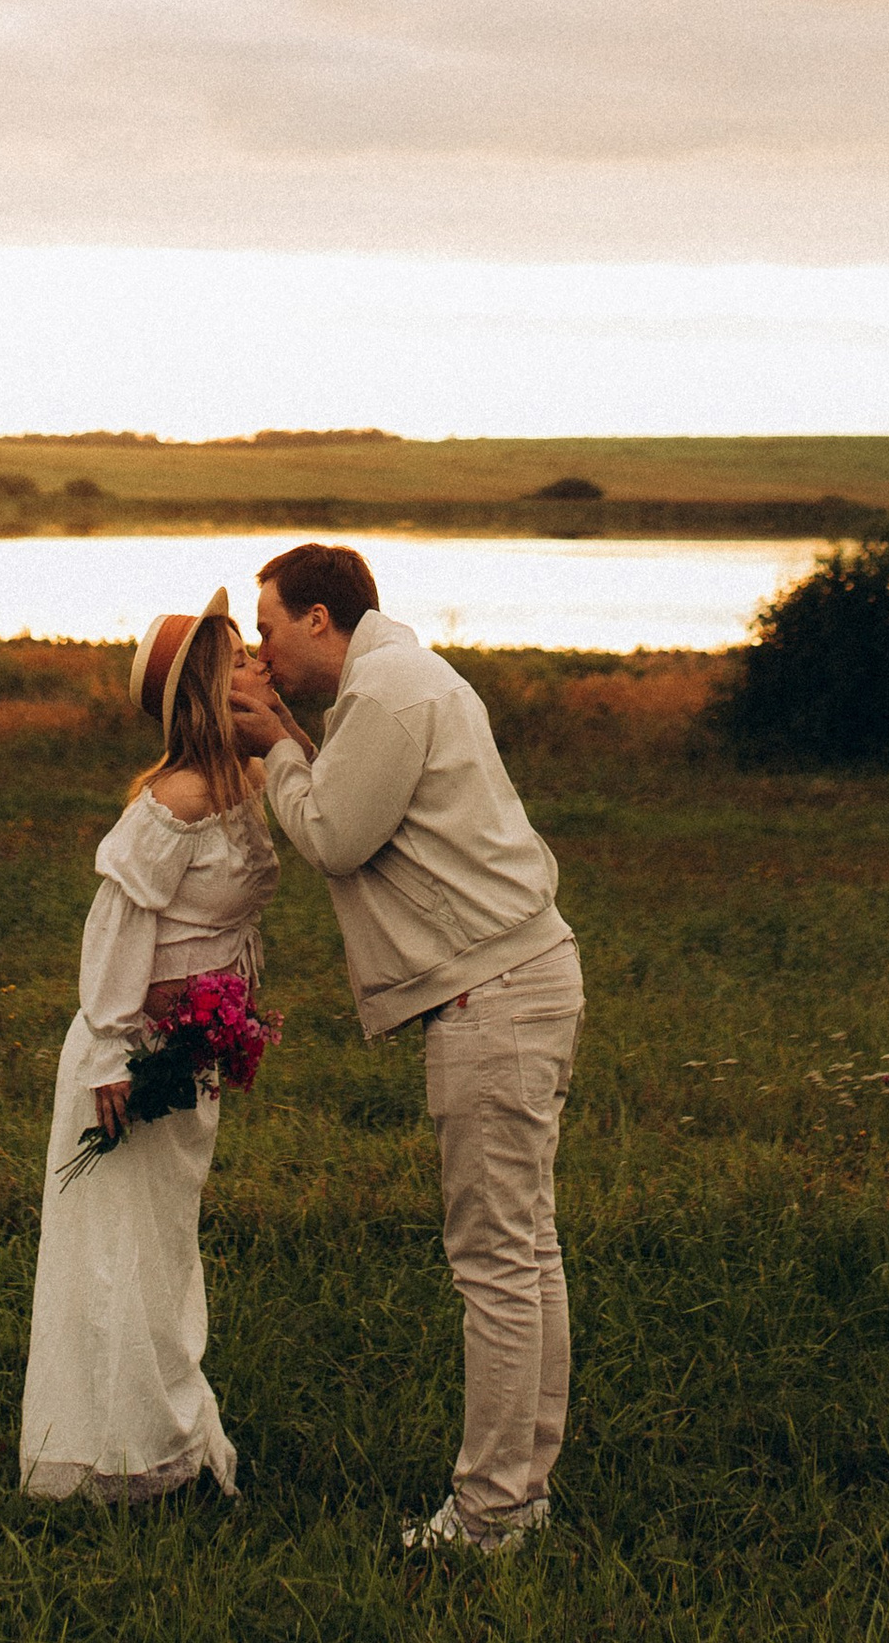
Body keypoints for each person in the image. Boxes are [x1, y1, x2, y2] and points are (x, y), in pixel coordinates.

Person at [229, 543, 582, 1556]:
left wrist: (272, 750)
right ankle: (523, 1490)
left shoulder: (384, 694)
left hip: (494, 997)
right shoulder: (394, 678)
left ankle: (488, 1516)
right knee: (526, 1252)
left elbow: (334, 834)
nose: (261, 644)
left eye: (268, 624)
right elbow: (351, 800)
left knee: (493, 1263)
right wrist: (292, 739)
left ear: (318, 619)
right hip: (518, 978)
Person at [18, 588, 279, 1503]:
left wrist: (232, 1017)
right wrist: (110, 1062)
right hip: (129, 1066)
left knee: (166, 1252)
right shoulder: (170, 802)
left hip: (192, 1055)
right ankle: (115, 1457)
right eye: (241, 660)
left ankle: (168, 1441)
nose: (259, 668)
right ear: (210, 690)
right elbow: (114, 942)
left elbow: (229, 929)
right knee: (116, 1256)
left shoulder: (247, 783)